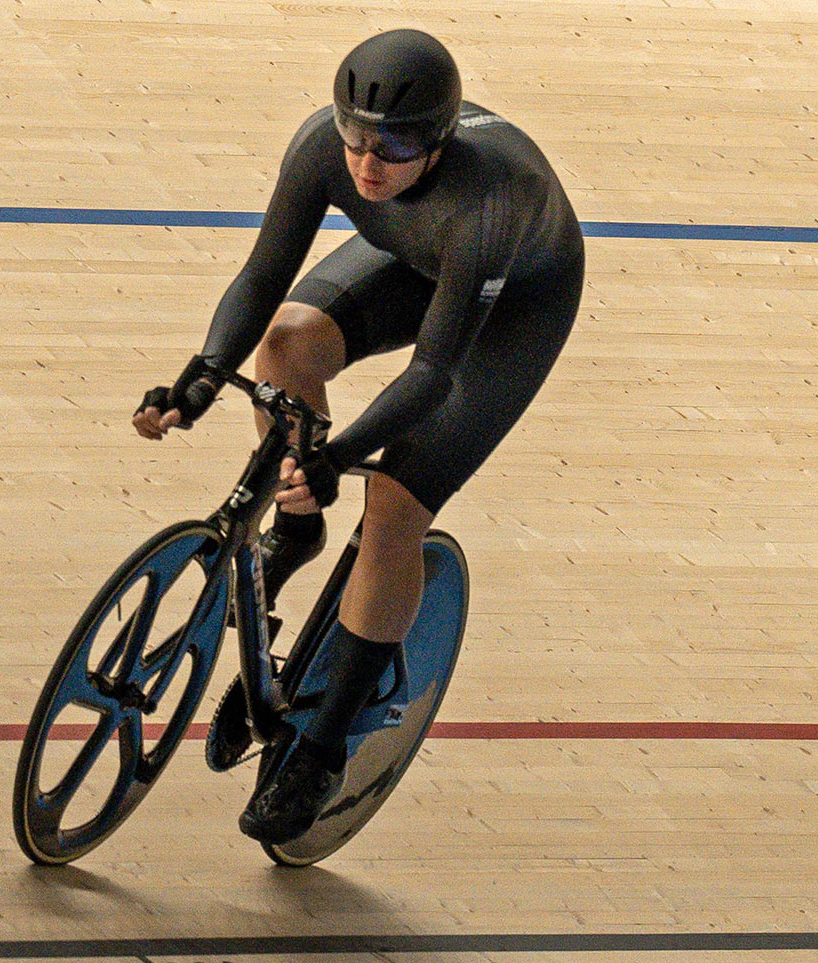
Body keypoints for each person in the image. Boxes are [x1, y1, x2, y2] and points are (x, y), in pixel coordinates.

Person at [132, 29, 585, 845]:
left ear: (440, 141)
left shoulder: (491, 200)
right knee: (285, 344)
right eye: (355, 136)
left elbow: (435, 375)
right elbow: (263, 275)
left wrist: (336, 458)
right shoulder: (321, 146)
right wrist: (200, 376)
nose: (368, 163)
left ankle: (322, 744)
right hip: (414, 264)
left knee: (392, 510)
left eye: (398, 144)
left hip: (512, 307)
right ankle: (295, 530)